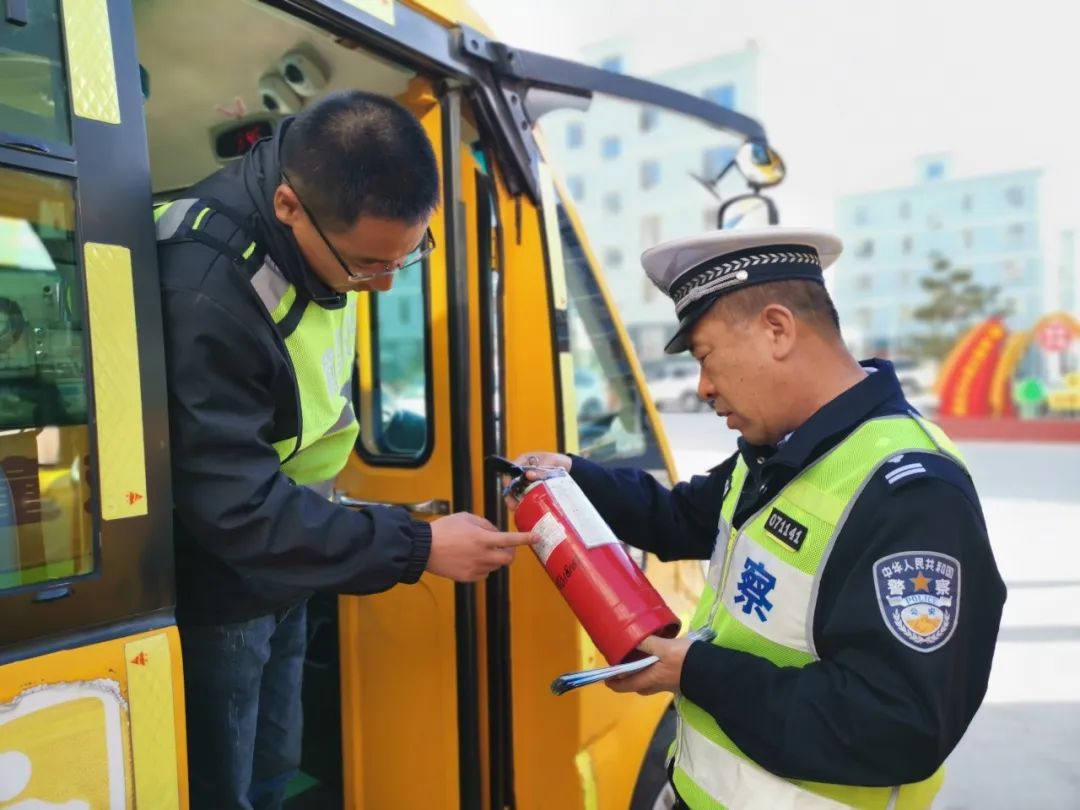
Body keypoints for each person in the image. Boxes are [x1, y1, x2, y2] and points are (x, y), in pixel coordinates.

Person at [511, 227, 1005, 809]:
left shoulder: (911, 492)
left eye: (705, 357)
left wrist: (694, 671)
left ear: (777, 329)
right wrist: (572, 473)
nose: (703, 388)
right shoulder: (780, 451)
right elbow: (679, 517)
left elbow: (895, 723)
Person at [156, 91, 534, 810]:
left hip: (287, 558)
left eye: (408, 256)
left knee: (276, 766)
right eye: (367, 265)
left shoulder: (324, 236)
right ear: (292, 207)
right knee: (222, 788)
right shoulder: (205, 289)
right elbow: (233, 509)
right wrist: (418, 547)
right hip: (222, 577)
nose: (386, 282)